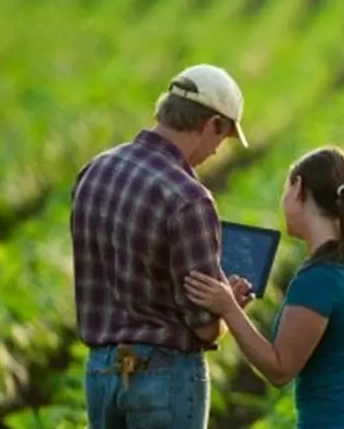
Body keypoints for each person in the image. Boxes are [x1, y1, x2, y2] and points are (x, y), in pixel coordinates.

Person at [183, 146, 344, 428]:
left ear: (298, 188)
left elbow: (279, 369)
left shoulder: (320, 278)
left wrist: (228, 309)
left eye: (285, 189)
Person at [70, 63, 255, 428]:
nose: (218, 150)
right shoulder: (188, 199)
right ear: (209, 123)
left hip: (102, 371)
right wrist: (228, 306)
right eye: (223, 136)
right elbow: (204, 327)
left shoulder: (95, 170)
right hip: (163, 376)